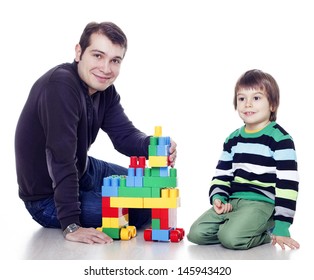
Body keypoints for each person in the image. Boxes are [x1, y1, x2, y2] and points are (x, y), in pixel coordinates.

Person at [14, 21, 177, 244]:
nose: (106, 68)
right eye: (98, 56)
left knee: (150, 193)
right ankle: (74, 212)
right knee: (139, 211)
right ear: (79, 52)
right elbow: (61, 159)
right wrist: (71, 225)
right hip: (47, 197)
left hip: (84, 169)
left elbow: (124, 136)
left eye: (115, 60)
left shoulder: (105, 90)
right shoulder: (60, 86)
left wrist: (155, 145)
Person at [187, 69, 300, 250]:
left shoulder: (280, 139)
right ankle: (237, 225)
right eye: (241, 98)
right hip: (233, 201)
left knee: (230, 239)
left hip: (263, 203)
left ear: (272, 104)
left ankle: (264, 233)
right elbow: (222, 174)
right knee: (196, 233)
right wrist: (219, 197)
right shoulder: (232, 139)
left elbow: (288, 184)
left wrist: (282, 225)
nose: (247, 104)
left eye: (256, 98)